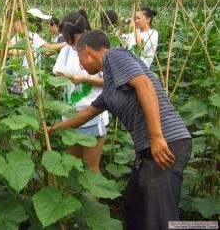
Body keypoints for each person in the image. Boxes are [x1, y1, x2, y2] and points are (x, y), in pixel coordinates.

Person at [49, 30, 192, 230]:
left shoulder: (115, 56)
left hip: (167, 142)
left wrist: (157, 137)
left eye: (80, 58)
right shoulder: (110, 87)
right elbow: (85, 114)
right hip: (149, 149)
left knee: (160, 215)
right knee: (134, 202)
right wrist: (51, 129)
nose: (80, 65)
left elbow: (145, 85)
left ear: (88, 50)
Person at [52, 12, 108, 173]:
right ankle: (72, 197)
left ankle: (91, 198)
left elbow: (109, 81)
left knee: (90, 170)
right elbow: (57, 72)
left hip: (92, 116)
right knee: (73, 167)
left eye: (72, 39)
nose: (70, 43)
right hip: (70, 114)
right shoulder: (67, 50)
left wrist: (85, 79)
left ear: (83, 34)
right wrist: (67, 76)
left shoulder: (96, 51)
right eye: (66, 39)